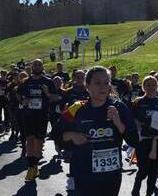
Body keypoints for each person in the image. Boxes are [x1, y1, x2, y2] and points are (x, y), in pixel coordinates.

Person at [53, 66, 138, 196]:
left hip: (111, 174)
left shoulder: (118, 107)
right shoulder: (76, 108)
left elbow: (134, 140)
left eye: (106, 83)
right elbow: (56, 133)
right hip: (84, 172)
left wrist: (118, 122)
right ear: (88, 86)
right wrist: (71, 135)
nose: (103, 87)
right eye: (97, 83)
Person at [17, 59, 57, 181]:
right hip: (28, 115)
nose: (37, 66)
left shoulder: (48, 81)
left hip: (42, 115)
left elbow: (55, 97)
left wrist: (47, 93)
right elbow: (18, 94)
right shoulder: (26, 82)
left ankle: (35, 166)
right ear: (32, 67)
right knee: (30, 140)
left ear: (42, 67)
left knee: (39, 142)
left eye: (39, 64)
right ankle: (31, 167)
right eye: (35, 64)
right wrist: (22, 101)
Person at [132, 76, 158, 196]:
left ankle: (149, 193)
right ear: (144, 87)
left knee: (153, 171)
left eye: (153, 84)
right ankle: (136, 190)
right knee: (143, 170)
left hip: (157, 140)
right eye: (148, 85)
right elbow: (133, 120)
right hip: (143, 140)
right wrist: (142, 123)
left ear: (157, 86)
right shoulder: (138, 102)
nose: (151, 87)